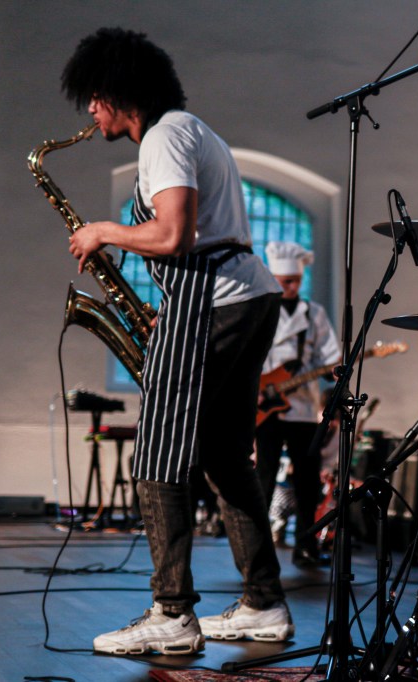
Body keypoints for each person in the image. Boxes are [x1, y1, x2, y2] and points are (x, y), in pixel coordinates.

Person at [62, 27, 294, 654]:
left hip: (216, 305)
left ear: (118, 91)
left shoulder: (163, 138)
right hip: (242, 300)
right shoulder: (193, 131)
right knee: (223, 458)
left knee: (160, 454)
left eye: (93, 96)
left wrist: (104, 231)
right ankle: (264, 604)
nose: (89, 108)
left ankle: (172, 613)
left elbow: (174, 237)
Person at [255, 241, 341, 567]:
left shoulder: (313, 314)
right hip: (266, 408)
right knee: (263, 477)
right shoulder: (261, 309)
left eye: (294, 280)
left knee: (307, 479)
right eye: (284, 280)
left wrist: (335, 370)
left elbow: (329, 357)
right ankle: (258, 547)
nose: (290, 286)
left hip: (303, 409)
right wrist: (257, 389)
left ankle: (306, 544)